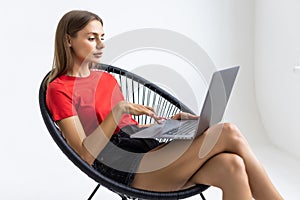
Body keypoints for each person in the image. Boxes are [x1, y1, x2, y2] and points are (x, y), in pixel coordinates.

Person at [46, 10, 283, 200]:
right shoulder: (59, 89)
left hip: (145, 148)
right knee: (228, 131)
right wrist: (117, 111)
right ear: (69, 40)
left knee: (232, 166)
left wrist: (171, 124)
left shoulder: (106, 79)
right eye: (91, 38)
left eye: (102, 37)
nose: (101, 44)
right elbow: (85, 155)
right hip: (121, 167)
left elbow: (132, 130)